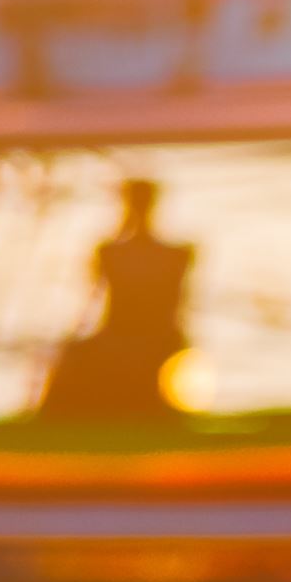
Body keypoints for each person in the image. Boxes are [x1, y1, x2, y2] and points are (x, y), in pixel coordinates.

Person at [36, 169, 195, 424]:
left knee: (92, 354)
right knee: (76, 352)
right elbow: (94, 302)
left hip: (152, 337)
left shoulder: (173, 254)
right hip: (121, 333)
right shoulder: (113, 252)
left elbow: (180, 305)